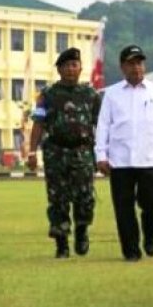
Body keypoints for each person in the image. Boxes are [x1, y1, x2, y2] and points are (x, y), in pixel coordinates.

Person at [95, 45, 153, 262]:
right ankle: (131, 250)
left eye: (139, 62)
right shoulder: (111, 94)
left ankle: (150, 234)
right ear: (122, 66)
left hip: (150, 159)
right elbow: (103, 126)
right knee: (124, 209)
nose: (136, 67)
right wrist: (100, 155)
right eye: (131, 63)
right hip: (120, 161)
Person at [27, 47, 101, 258]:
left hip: (83, 153)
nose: (70, 69)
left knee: (85, 198)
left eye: (74, 65)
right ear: (59, 69)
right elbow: (38, 124)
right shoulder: (47, 95)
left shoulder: (91, 95)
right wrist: (32, 153)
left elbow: (102, 125)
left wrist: (105, 154)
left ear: (80, 68)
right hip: (56, 154)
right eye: (66, 66)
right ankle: (61, 244)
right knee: (58, 199)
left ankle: (81, 231)